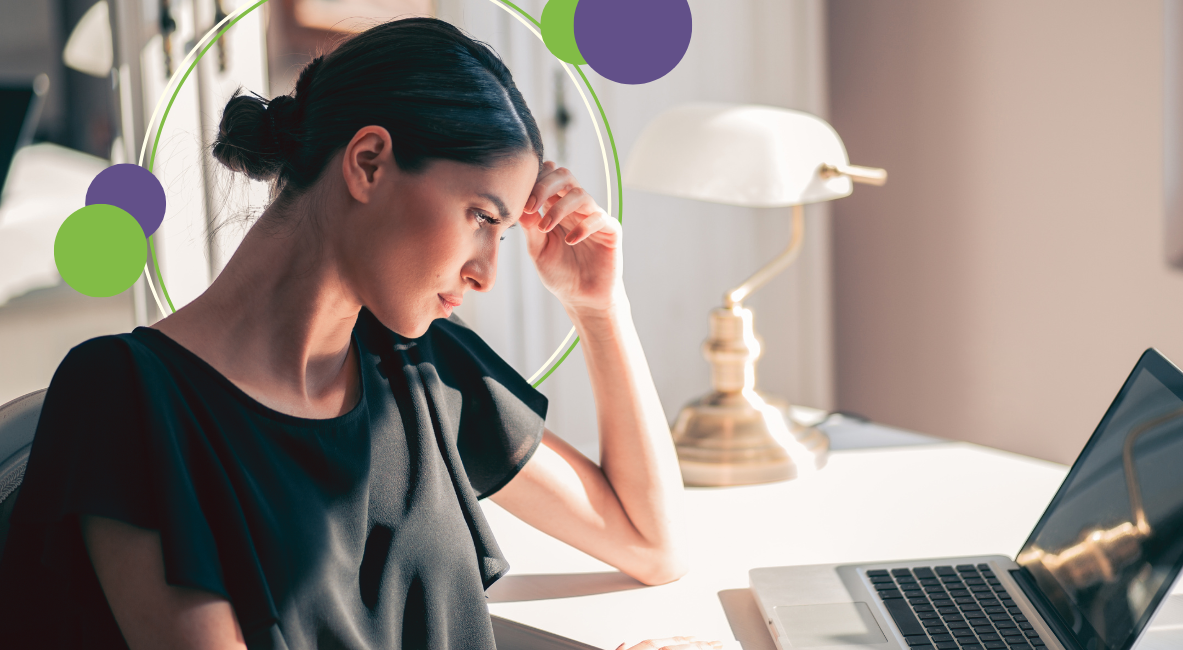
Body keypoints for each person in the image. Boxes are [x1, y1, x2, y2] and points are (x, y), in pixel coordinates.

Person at [0, 16, 722, 650]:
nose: (486, 275)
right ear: (369, 162)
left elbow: (650, 542)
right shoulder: (123, 398)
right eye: (480, 217)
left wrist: (600, 308)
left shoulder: (418, 364)